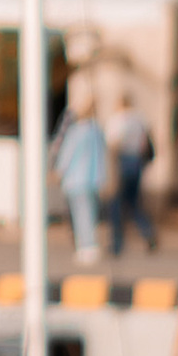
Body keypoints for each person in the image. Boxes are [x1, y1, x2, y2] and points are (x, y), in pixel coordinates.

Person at [53, 99, 110, 262]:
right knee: (90, 214)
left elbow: (67, 155)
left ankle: (86, 247)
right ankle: (91, 245)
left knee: (80, 215)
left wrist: (58, 172)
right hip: (94, 179)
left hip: (75, 180)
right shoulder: (97, 131)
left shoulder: (76, 132)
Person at [103, 96, 156, 257]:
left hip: (121, 162)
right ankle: (148, 232)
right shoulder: (140, 119)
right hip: (137, 163)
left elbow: (113, 142)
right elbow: (145, 144)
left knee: (116, 204)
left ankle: (117, 243)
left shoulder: (118, 120)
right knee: (133, 203)